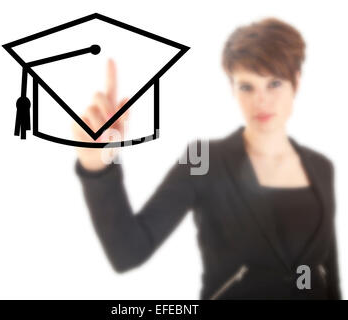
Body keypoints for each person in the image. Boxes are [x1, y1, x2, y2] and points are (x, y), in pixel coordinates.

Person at [72, 17, 342, 299]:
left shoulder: (321, 167)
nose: (261, 100)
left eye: (274, 83)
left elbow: (329, 273)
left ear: (296, 82)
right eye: (247, 86)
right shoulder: (204, 160)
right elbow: (128, 252)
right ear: (232, 88)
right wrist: (97, 164)